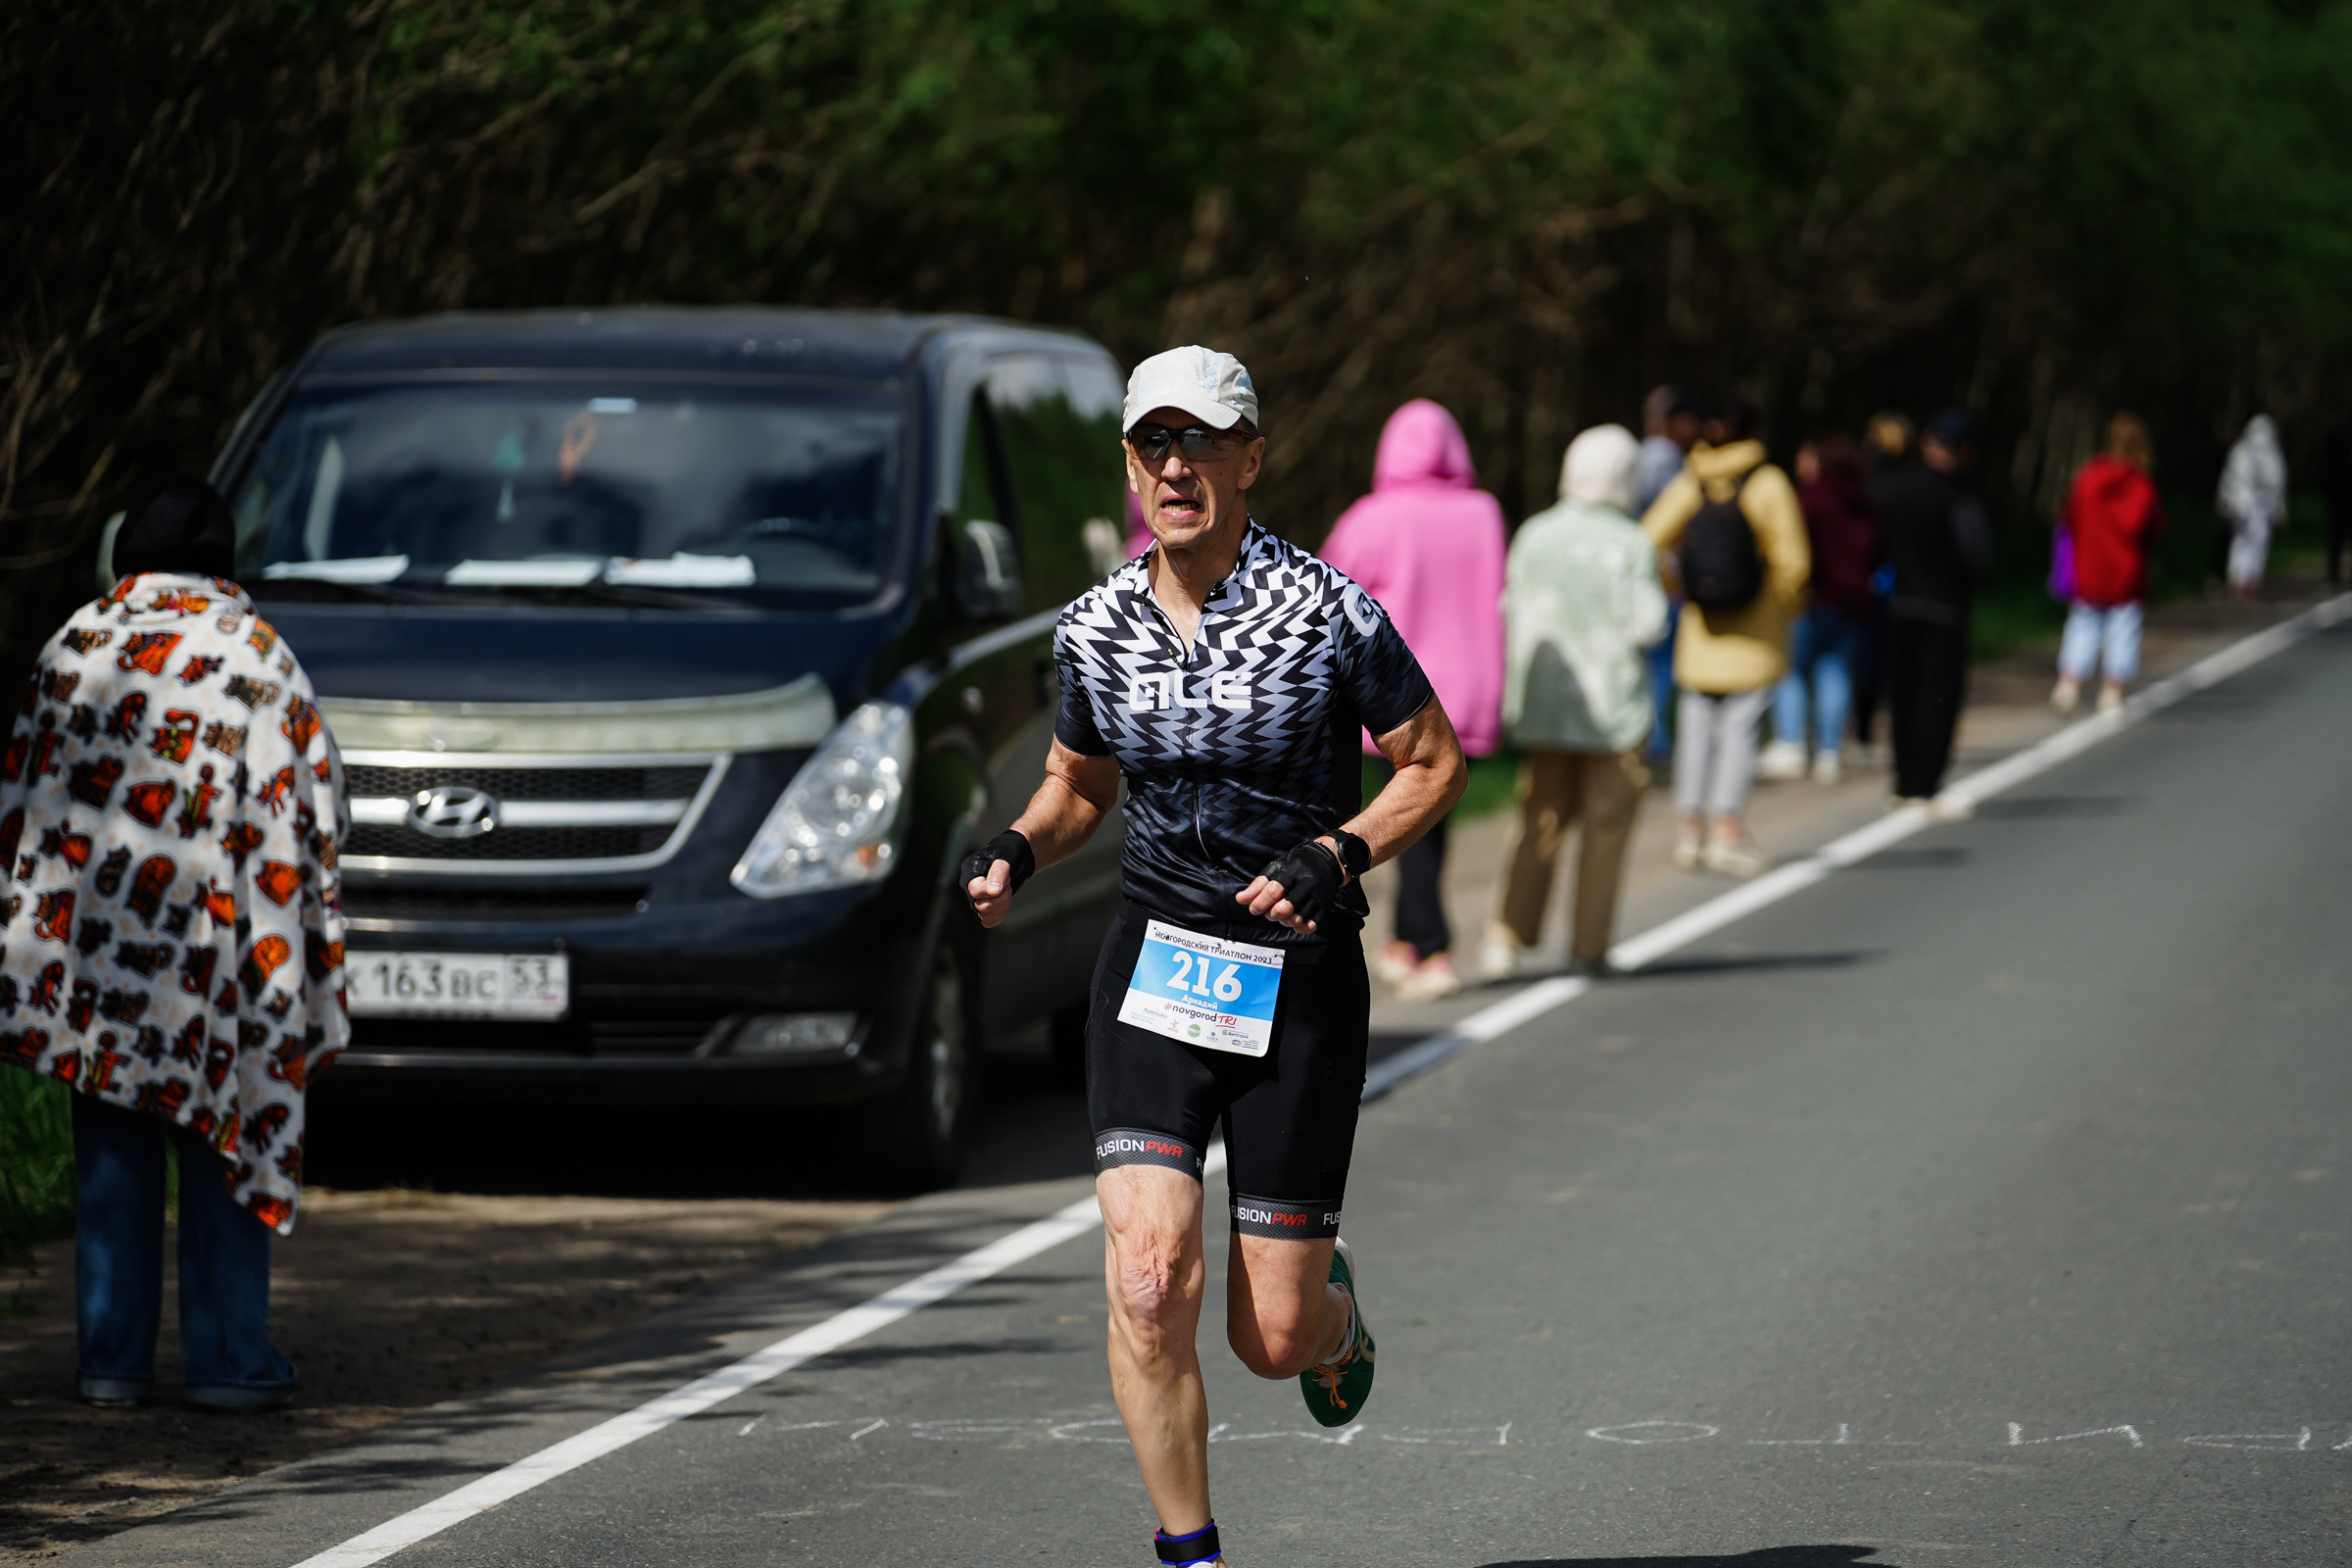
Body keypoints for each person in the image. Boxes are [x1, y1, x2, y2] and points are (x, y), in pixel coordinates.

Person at [962, 346, 1463, 1568]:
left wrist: (1338, 854)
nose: (1174, 466)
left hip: (1297, 980)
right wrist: (1020, 849)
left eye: (1200, 442)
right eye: (1151, 445)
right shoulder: (1096, 625)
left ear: (1251, 455)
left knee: (1271, 1339)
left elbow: (1435, 763)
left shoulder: (1331, 610)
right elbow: (1077, 786)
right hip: (1156, 973)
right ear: (1130, 466)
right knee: (1146, 1279)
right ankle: (1192, 1555)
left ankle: (1331, 1320)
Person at [0, 476, 349, 1410]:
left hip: (102, 962)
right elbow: (313, 806)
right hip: (223, 958)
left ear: (129, 562)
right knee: (223, 1139)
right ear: (225, 565)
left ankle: (109, 1361)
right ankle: (229, 1360)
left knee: (113, 1149)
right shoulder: (260, 658)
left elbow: (25, 803)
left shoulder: (74, 647)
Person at [1319, 399, 1505, 1002]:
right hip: (1468, 685)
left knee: (1402, 813)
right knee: (1432, 811)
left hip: (1392, 693)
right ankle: (1407, 938)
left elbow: (1322, 594)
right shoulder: (1484, 513)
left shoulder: (1372, 517)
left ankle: (1433, 947)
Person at [1484, 424, 1666, 980]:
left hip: (1543, 707)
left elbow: (1507, 606)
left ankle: (1505, 939)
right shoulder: (1631, 541)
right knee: (1606, 827)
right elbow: (1650, 623)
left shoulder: (1535, 533)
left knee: (1538, 819)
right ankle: (1588, 947)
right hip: (1613, 712)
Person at [1641, 394, 1809, 878]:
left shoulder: (1692, 478)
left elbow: (1647, 541)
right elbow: (1794, 563)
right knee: (1738, 734)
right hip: (1755, 634)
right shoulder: (1768, 481)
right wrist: (1778, 607)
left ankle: (1689, 831)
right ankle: (1727, 832)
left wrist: (1680, 588)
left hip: (1701, 631)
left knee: (1695, 732)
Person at [1870, 410, 1992, 812]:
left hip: (1898, 604)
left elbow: (1874, 542)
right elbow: (1976, 558)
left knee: (1903, 694)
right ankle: (1926, 783)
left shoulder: (1896, 489)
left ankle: (1903, 780)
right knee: (1937, 697)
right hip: (1944, 608)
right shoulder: (1960, 498)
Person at [1757, 433, 1883, 785]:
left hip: (1811, 600)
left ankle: (1792, 744)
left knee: (1790, 670)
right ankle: (1829, 753)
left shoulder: (1808, 500)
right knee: (1836, 671)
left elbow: (1791, 548)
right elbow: (1878, 550)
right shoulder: (1864, 501)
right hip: (1853, 602)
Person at [2053, 414, 2165, 715]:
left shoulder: (2087, 477)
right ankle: (2112, 692)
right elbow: (2153, 529)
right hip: (2126, 571)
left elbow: (2068, 516)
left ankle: (2069, 684)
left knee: (2082, 624)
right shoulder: (2141, 486)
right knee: (2123, 630)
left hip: (2088, 566)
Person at [1633, 388, 1704, 762]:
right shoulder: (1667, 459)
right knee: (1661, 661)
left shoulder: (1637, 455)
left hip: (1640, 570)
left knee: (1648, 660)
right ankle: (1657, 742)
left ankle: (1650, 738)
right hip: (1663, 573)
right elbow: (1674, 520)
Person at [2217, 414, 2287, 601]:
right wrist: (2280, 507)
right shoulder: (2271, 452)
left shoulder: (2239, 449)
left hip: (2239, 502)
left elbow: (2227, 479)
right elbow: (2277, 482)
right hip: (2260, 504)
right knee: (2257, 542)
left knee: (2239, 541)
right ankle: (2250, 579)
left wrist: (2223, 501)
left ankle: (2236, 578)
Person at [2322, 419, 2352, 586]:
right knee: (2336, 535)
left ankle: (2334, 571)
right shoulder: (2338, 439)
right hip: (2339, 495)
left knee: (2337, 535)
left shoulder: (2337, 438)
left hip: (2338, 494)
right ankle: (2333, 571)